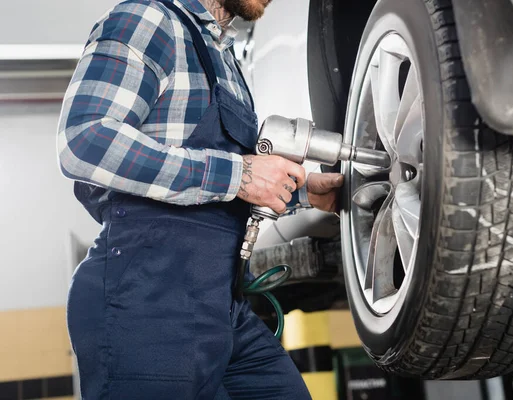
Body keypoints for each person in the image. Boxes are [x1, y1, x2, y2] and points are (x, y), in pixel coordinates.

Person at [56, 0, 344, 398]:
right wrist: (239, 175)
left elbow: (222, 184)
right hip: (145, 301)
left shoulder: (224, 57)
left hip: (220, 302)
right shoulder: (149, 19)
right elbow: (84, 141)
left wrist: (300, 192)